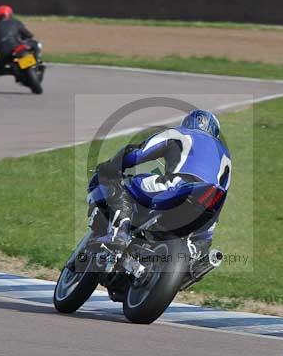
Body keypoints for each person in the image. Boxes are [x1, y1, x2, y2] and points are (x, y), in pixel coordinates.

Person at [93, 109, 231, 255]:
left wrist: (112, 165)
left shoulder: (181, 133)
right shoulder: (226, 155)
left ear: (188, 122)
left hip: (179, 186)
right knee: (201, 242)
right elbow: (222, 191)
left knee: (125, 184)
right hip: (209, 205)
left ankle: (118, 234)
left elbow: (139, 153)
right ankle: (196, 255)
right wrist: (207, 233)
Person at [0, 5, 37, 79]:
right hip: (18, 48)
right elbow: (28, 34)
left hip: (5, 53)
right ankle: (34, 64)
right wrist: (26, 38)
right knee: (35, 44)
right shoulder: (15, 22)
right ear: (10, 14)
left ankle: (17, 72)